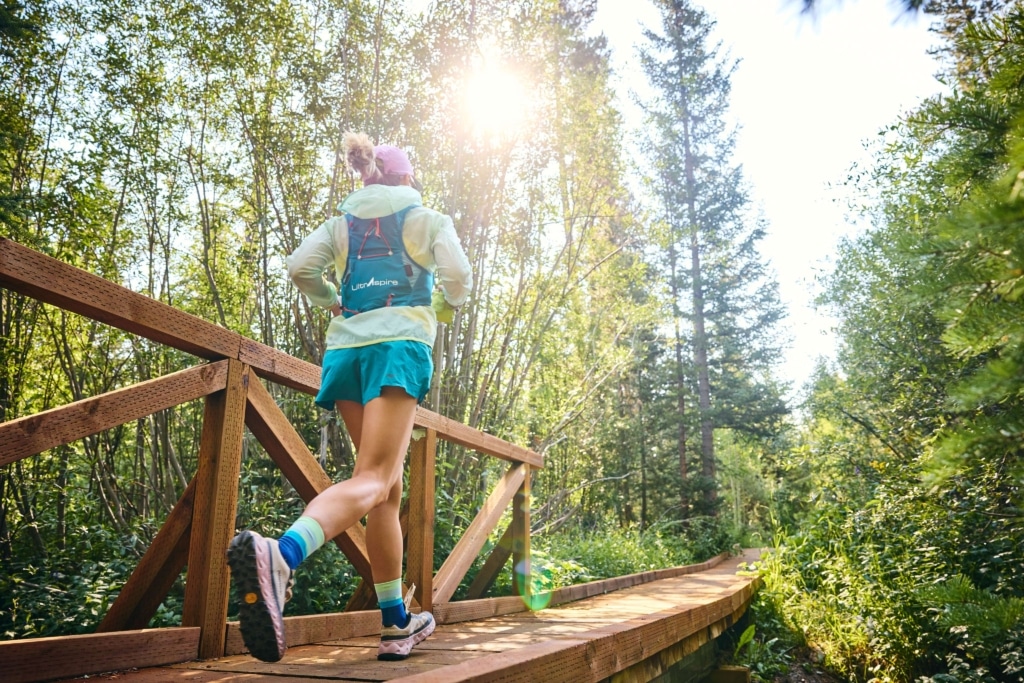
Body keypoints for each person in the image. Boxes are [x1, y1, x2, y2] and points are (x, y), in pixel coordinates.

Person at [227, 132, 472, 663]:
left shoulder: (340, 225)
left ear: (366, 178)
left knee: (386, 490)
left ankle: (395, 623)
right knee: (373, 480)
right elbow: (458, 276)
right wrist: (443, 311)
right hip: (396, 350)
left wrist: (331, 300)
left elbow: (298, 268)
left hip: (347, 355)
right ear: (407, 178)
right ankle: (281, 553)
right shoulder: (427, 220)